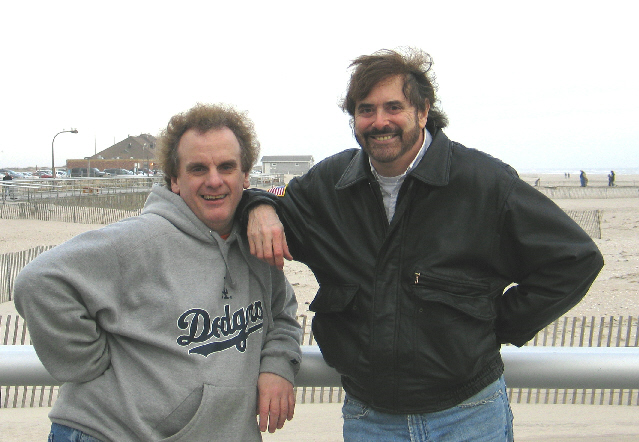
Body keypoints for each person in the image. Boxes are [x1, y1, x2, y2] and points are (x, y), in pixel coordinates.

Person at [243, 48, 603, 441]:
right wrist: (260, 206)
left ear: (423, 111)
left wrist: (497, 324)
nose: (379, 121)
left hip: (469, 414)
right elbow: (259, 209)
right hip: (371, 418)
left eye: (393, 107)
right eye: (366, 110)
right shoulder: (329, 185)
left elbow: (574, 260)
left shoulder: (483, 182)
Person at [14, 103, 302, 442]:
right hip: (110, 432)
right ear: (175, 180)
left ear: (245, 176)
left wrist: (278, 365)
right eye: (198, 169)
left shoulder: (258, 247)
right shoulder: (141, 240)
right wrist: (91, 366)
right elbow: (40, 283)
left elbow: (282, 314)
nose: (214, 180)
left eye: (226, 166)